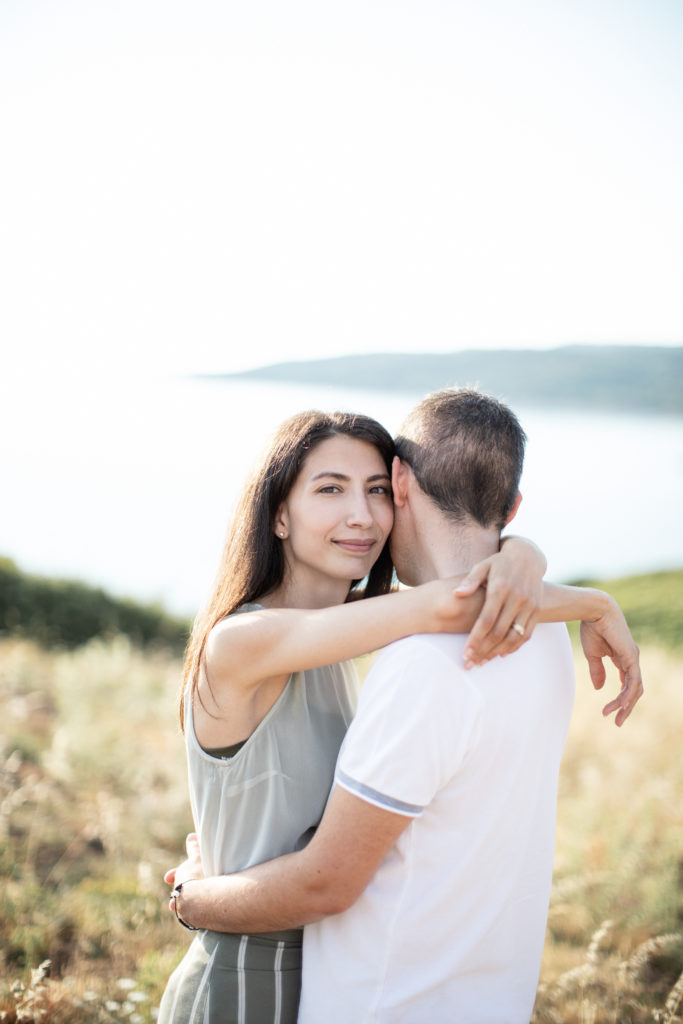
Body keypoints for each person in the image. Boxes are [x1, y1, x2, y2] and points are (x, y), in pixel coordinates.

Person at [165, 390, 643, 1024]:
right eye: (330, 490)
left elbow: (461, 593)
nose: (361, 515)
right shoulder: (243, 642)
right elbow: (453, 601)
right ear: (278, 515)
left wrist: (522, 552)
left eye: (377, 491)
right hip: (245, 979)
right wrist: (592, 600)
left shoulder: (347, 628)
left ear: (402, 489)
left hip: (314, 972)